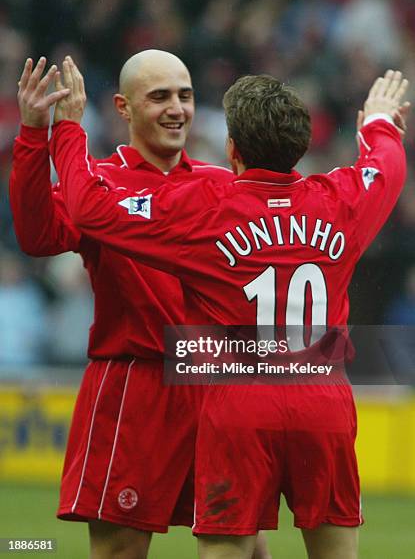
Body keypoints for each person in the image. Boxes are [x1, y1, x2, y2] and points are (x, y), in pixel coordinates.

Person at [50, 61, 408, 559]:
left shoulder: (205, 208)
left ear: (233, 150)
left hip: (237, 403)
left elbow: (89, 209)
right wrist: (380, 122)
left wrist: (67, 129)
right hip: (322, 399)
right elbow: (386, 167)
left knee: (226, 550)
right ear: (303, 147)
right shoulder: (341, 199)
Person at [11, 53, 272, 559]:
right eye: (159, 97)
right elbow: (38, 235)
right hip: (135, 388)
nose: (176, 109)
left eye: (185, 95)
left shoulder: (221, 185)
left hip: (215, 389)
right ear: (123, 108)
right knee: (122, 551)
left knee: (247, 548)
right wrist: (31, 135)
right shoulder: (98, 186)